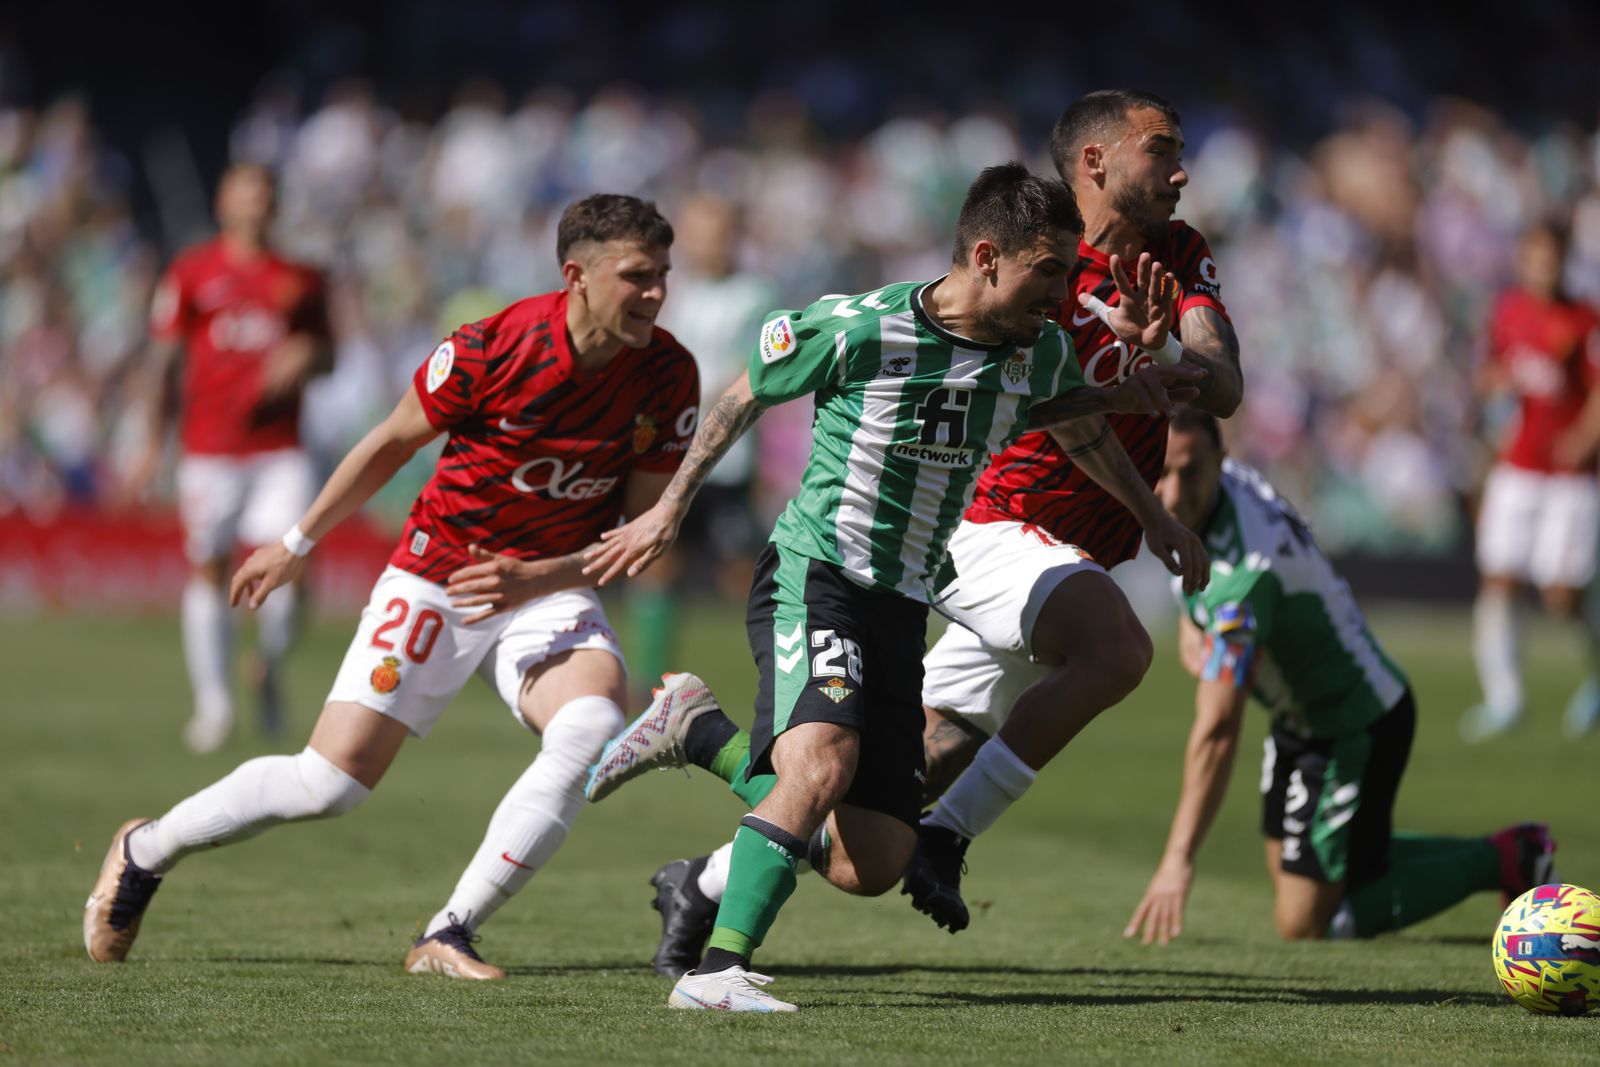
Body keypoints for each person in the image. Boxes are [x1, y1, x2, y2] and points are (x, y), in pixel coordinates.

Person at [626, 89, 1244, 968]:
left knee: (869, 833)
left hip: (1010, 564)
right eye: (1162, 149)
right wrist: (668, 502)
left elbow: (1195, 391)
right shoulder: (1012, 259)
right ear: (1096, 162)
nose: (1181, 171)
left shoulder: (1171, 260)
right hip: (981, 525)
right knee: (1115, 647)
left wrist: (1161, 372)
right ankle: (919, 854)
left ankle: (705, 840)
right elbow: (771, 385)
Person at [83, 194, 699, 981]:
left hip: (547, 586)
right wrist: (297, 543)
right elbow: (389, 442)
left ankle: (450, 930)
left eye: (662, 277)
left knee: (589, 726)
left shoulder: (668, 374)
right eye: (637, 276)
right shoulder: (490, 348)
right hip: (438, 575)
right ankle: (145, 849)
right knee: (327, 784)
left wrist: (540, 577)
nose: (655, 294)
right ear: (575, 276)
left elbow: (639, 535)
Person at [1126, 410, 1557, 944]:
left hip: (1354, 722)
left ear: (1220, 462)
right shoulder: (1226, 490)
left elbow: (1216, 730)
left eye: (1188, 472)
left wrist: (1177, 859)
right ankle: (1493, 854)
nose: (1169, 493)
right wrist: (1195, 622)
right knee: (1305, 871)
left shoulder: (1244, 580)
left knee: (1306, 922)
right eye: (1159, 471)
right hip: (1300, 718)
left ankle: (1508, 857)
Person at [128, 163, 333, 752]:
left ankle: (267, 664)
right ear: (224, 202)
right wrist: (148, 441)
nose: (255, 205)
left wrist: (307, 354)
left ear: (275, 205)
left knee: (294, 563)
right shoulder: (192, 273)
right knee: (210, 568)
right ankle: (213, 706)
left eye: (265, 195)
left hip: (279, 448)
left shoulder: (303, 278)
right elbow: (162, 361)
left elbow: (331, 356)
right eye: (246, 193)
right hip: (209, 447)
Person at [624, 193, 776, 700]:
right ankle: (650, 683)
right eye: (697, 233)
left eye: (715, 233)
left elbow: (746, 372)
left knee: (742, 574)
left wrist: (688, 409)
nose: (705, 243)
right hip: (672, 455)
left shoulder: (754, 296)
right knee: (658, 562)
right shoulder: (675, 293)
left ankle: (781, 681)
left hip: (728, 461)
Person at [1461, 221, 1600, 742]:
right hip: (1517, 467)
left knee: (1562, 595)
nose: (1544, 268)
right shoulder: (1508, 313)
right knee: (1498, 580)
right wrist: (1492, 391)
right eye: (1536, 258)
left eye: (1552, 258)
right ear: (1523, 260)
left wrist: (1585, 439)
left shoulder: (1585, 321)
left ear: (1564, 261)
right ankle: (1505, 699)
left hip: (1570, 476)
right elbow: (1489, 377)